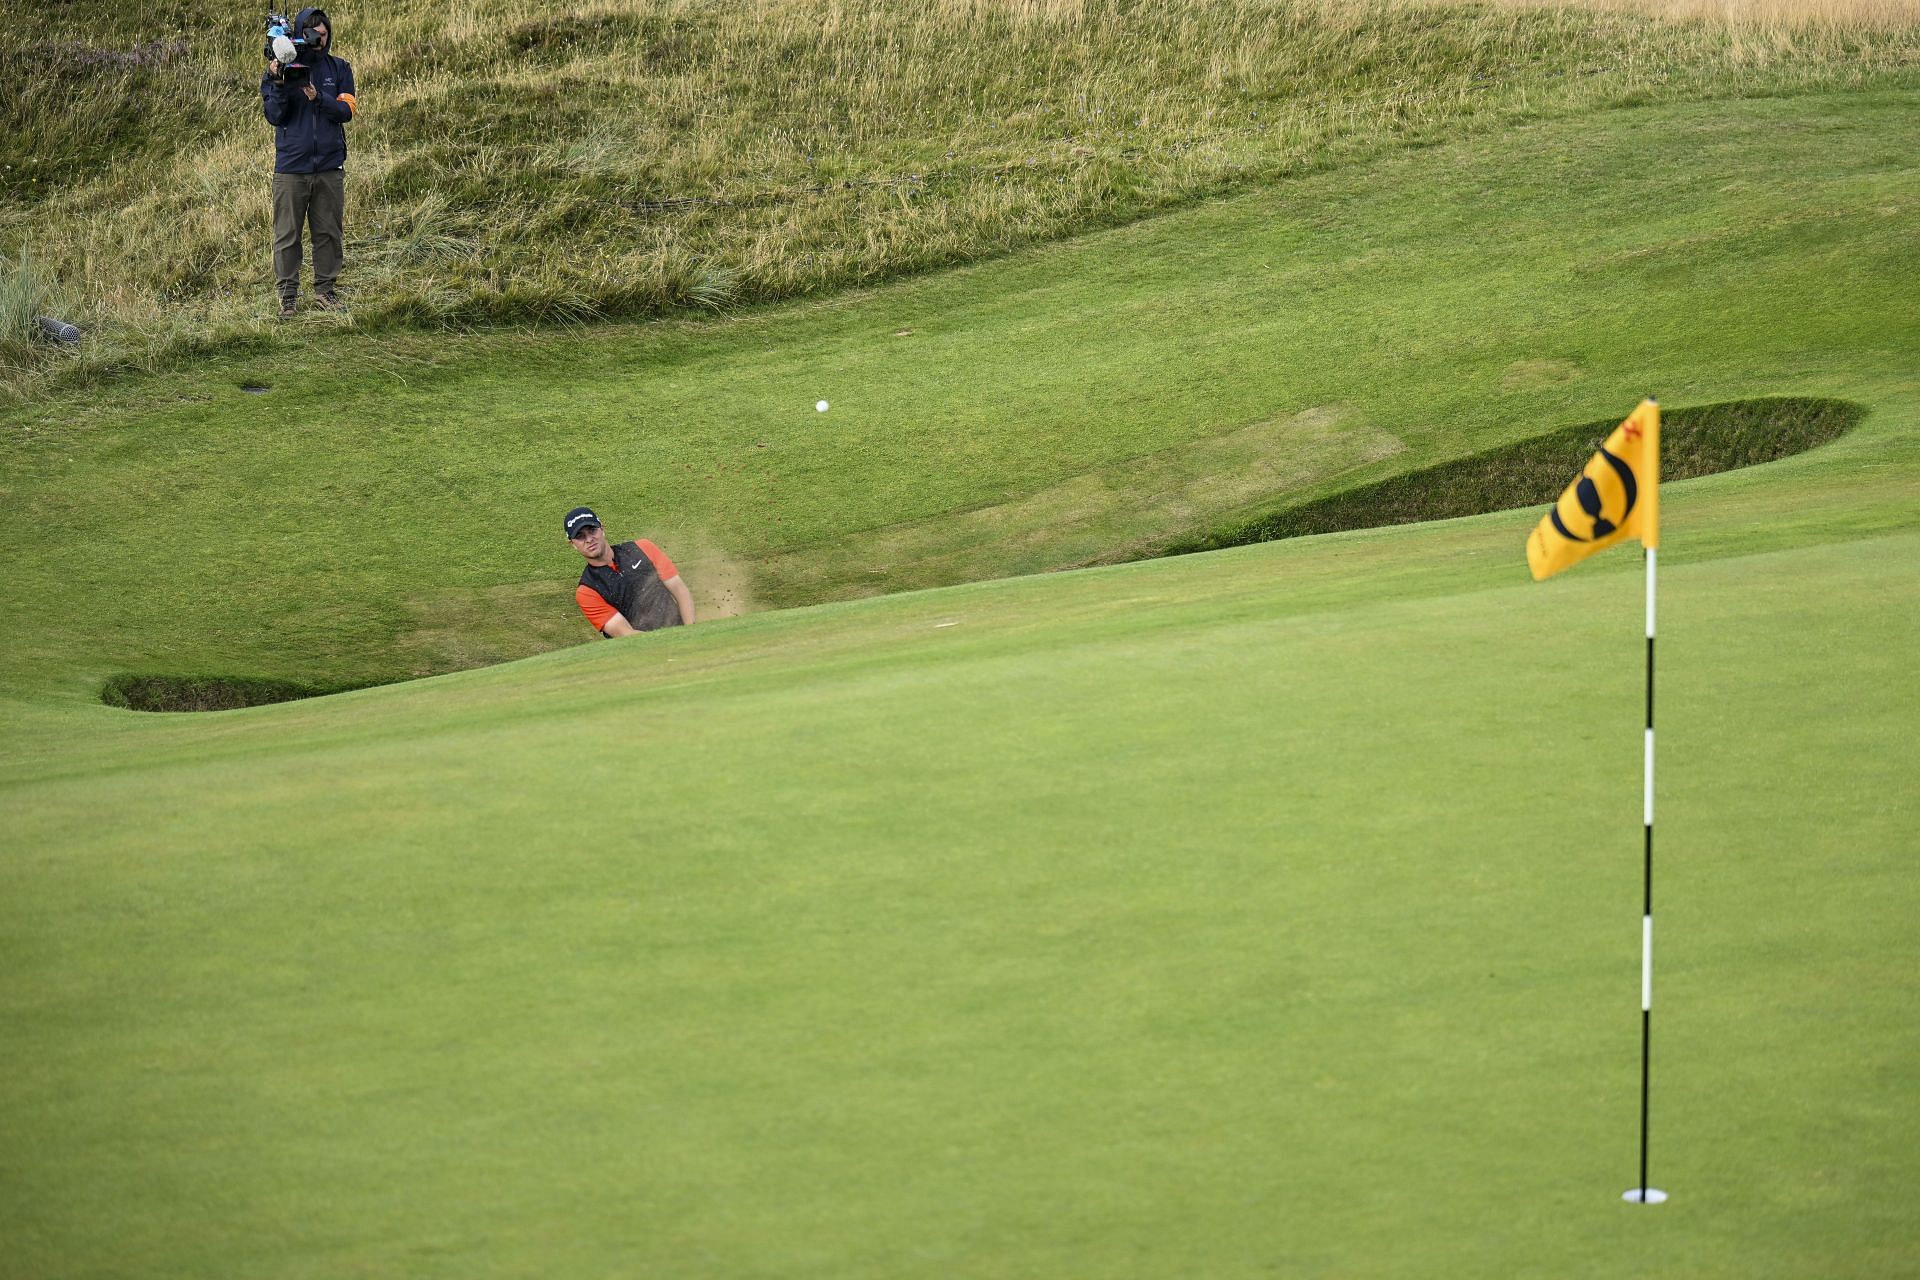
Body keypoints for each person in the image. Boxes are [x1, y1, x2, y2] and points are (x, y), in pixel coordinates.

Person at [261, 8, 356, 319]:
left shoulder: (339, 68)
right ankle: (288, 297)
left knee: (329, 232)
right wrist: (278, 83)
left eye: (324, 35)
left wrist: (319, 98)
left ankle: (325, 291)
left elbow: (346, 112)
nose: (319, 41)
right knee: (287, 234)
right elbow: (275, 116)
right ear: (300, 33)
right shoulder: (282, 70)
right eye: (313, 34)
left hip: (329, 165)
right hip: (291, 167)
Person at [565, 507, 696, 637]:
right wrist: (670, 643)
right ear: (572, 544)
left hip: (682, 636)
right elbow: (626, 634)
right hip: (645, 652)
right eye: (580, 536)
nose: (589, 539)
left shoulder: (643, 548)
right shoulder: (587, 591)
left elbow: (680, 591)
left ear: (602, 529)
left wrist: (690, 633)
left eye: (592, 530)